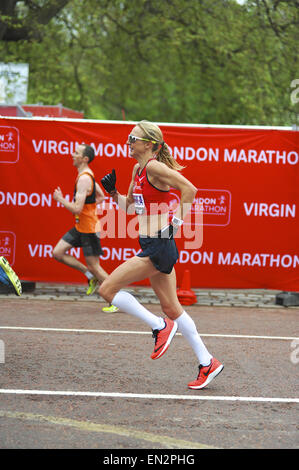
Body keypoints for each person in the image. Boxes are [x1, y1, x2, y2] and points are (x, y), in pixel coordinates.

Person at [99, 120, 223, 389]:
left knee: (107, 289)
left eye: (133, 138)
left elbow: (190, 190)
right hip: (153, 244)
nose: (129, 141)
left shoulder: (155, 167)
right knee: (172, 308)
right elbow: (129, 208)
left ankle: (159, 326)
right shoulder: (138, 169)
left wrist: (174, 226)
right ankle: (207, 362)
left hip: (159, 245)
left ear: (149, 144)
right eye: (129, 137)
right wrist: (112, 193)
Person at [53, 143, 118, 313]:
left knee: (95, 266)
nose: (72, 155)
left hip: (88, 228)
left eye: (77, 153)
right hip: (81, 226)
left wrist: (60, 199)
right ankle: (90, 278)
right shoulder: (85, 174)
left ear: (85, 159)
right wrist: (89, 208)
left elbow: (76, 208)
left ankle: (117, 299)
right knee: (57, 253)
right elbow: (101, 197)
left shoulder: (84, 178)